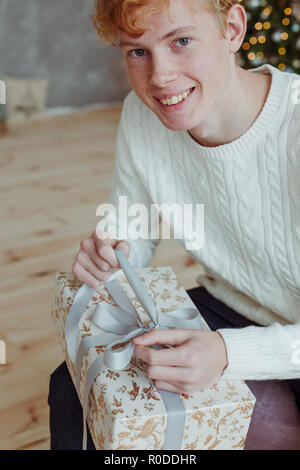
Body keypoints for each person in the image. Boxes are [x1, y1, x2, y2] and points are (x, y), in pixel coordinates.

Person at [48, 0, 300, 449]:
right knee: (73, 388)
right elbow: (134, 227)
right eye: (137, 52)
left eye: (181, 41)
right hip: (230, 307)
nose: (160, 77)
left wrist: (228, 354)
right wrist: (112, 249)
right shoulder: (143, 113)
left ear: (233, 29)